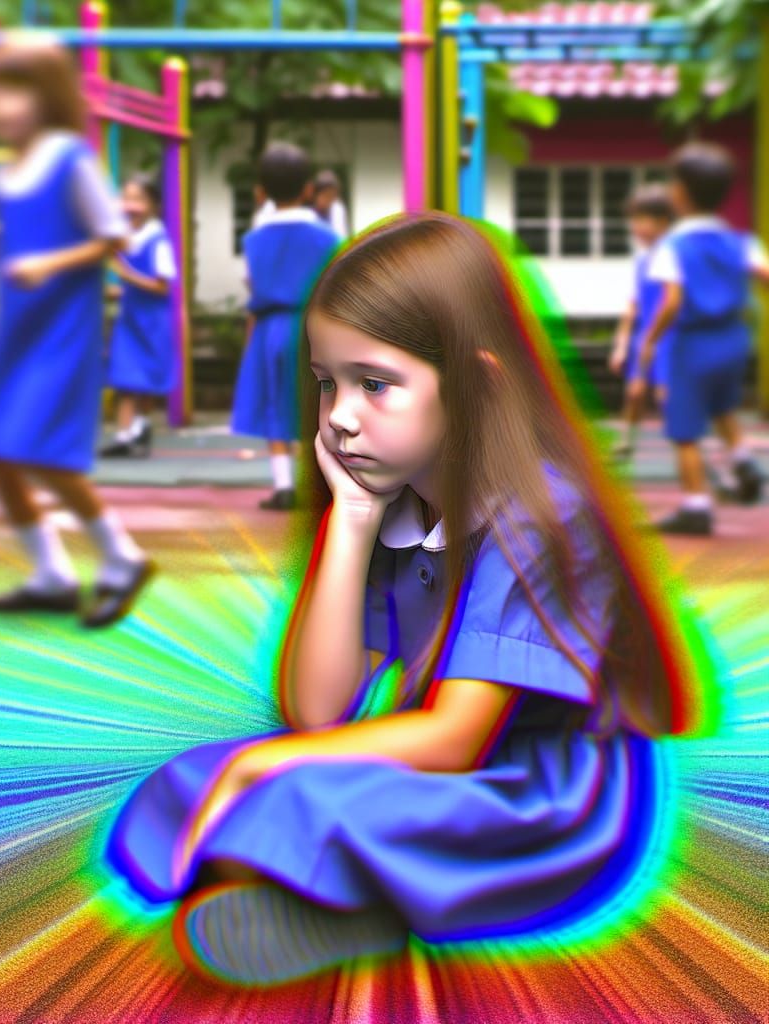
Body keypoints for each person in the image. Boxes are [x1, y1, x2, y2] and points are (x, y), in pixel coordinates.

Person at [106, 213, 699, 987]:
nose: (342, 417)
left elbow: (456, 741)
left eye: (376, 385)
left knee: (295, 787)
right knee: (198, 774)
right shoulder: (399, 501)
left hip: (540, 795)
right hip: (438, 758)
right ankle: (325, 886)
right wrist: (349, 525)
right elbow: (318, 711)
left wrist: (261, 771)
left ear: (476, 383)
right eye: (329, 384)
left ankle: (358, 906)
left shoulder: (541, 515)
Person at [0, 41, 153, 627]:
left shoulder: (71, 159)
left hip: (60, 330)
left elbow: (112, 236)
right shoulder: (3, 174)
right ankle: (51, 573)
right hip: (16, 330)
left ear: (48, 97)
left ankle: (122, 556)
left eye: (18, 91)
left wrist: (50, 265)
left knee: (42, 451)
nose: (3, 105)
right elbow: (4, 255)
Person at [634, 142, 769, 535]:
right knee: (723, 406)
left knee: (684, 429)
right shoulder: (741, 241)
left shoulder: (673, 246)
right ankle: (744, 460)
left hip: (693, 344)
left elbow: (672, 301)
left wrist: (651, 339)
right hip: (733, 338)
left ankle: (697, 506)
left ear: (679, 193)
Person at [231, 142, 339, 510]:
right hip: (315, 324)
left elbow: (252, 285)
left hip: (270, 326)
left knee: (275, 402)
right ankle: (319, 483)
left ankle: (283, 486)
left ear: (260, 193)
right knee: (318, 402)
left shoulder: (253, 240)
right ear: (309, 189)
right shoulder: (328, 238)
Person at [101, 172, 177, 458]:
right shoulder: (125, 239)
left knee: (143, 380)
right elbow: (132, 285)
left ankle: (138, 429)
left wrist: (125, 275)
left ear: (153, 206)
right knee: (125, 378)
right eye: (126, 198)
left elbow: (161, 286)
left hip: (151, 322)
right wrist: (117, 290)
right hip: (130, 319)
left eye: (138, 199)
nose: (130, 205)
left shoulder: (158, 241)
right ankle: (125, 435)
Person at [608, 184, 675, 460]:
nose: (635, 227)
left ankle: (685, 445)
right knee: (634, 392)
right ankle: (626, 441)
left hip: (671, 337)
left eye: (641, 220)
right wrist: (621, 346)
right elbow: (632, 307)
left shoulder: (675, 255)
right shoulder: (642, 260)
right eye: (633, 221)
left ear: (663, 223)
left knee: (665, 394)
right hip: (645, 336)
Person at [311, 168, 349, 239]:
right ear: (316, 195)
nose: (329, 200)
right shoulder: (310, 216)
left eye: (332, 196)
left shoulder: (337, 210)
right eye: (326, 195)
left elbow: (341, 237)